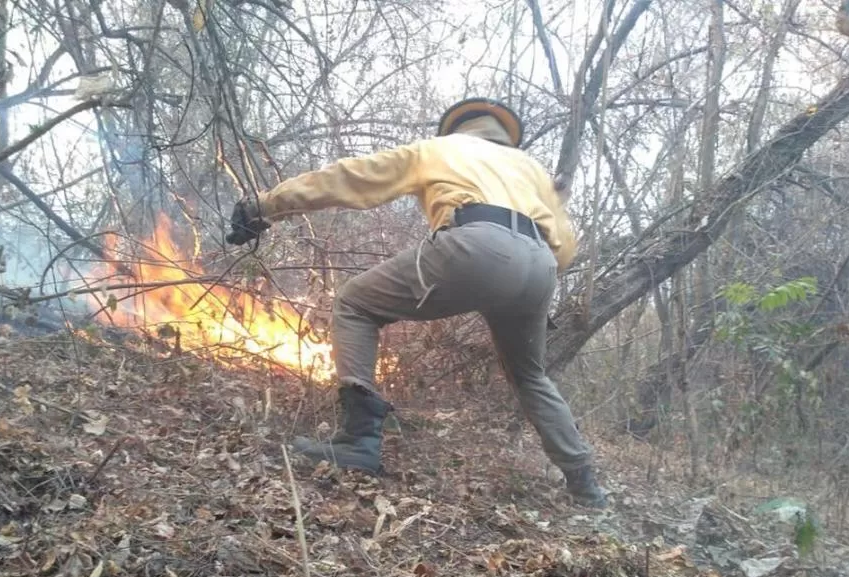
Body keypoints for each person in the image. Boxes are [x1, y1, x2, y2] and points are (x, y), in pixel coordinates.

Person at [227, 97, 608, 508]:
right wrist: (533, 270)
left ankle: (358, 440)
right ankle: (585, 484)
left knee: (355, 304)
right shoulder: (532, 170)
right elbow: (566, 244)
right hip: (540, 266)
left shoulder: (442, 149)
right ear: (502, 134)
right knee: (531, 376)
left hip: (477, 245)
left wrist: (264, 205)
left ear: (457, 128)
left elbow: (353, 178)